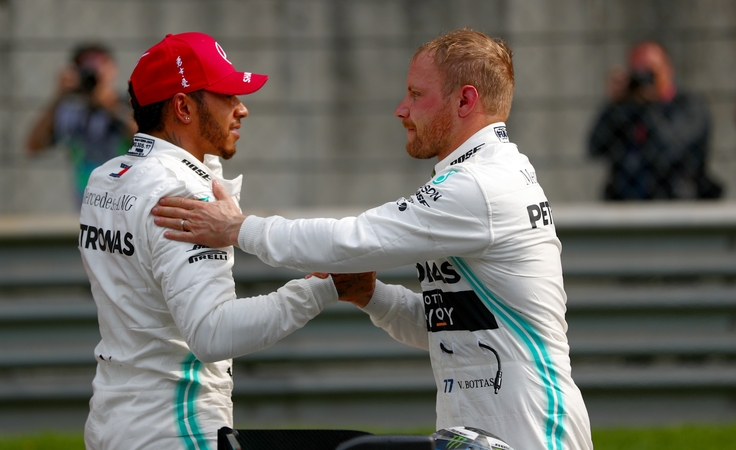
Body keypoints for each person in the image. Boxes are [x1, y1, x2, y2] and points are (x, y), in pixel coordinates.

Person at [151, 29, 593, 450]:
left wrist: (239, 228)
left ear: (465, 100)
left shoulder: (479, 186)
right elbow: (452, 328)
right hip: (478, 427)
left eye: (416, 95)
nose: (402, 109)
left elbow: (354, 240)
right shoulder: (481, 177)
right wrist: (371, 296)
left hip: (532, 429)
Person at [79, 32, 374, 450]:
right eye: (227, 95)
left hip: (110, 420)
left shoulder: (107, 178)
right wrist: (324, 287)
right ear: (183, 107)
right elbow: (212, 333)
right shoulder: (188, 199)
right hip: (175, 430)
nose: (242, 108)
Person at [588, 40, 723, 200]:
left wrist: (648, 106)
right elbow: (595, 147)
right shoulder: (626, 109)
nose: (644, 79)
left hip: (677, 203)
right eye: (638, 72)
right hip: (627, 202)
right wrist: (613, 105)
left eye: (650, 71)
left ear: (668, 69)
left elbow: (670, 149)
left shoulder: (690, 107)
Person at [26, 42, 137, 204]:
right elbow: (33, 146)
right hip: (87, 203)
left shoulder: (129, 105)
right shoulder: (71, 112)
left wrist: (109, 105)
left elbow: (146, 139)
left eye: (99, 67)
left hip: (126, 201)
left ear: (113, 69)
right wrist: (59, 96)